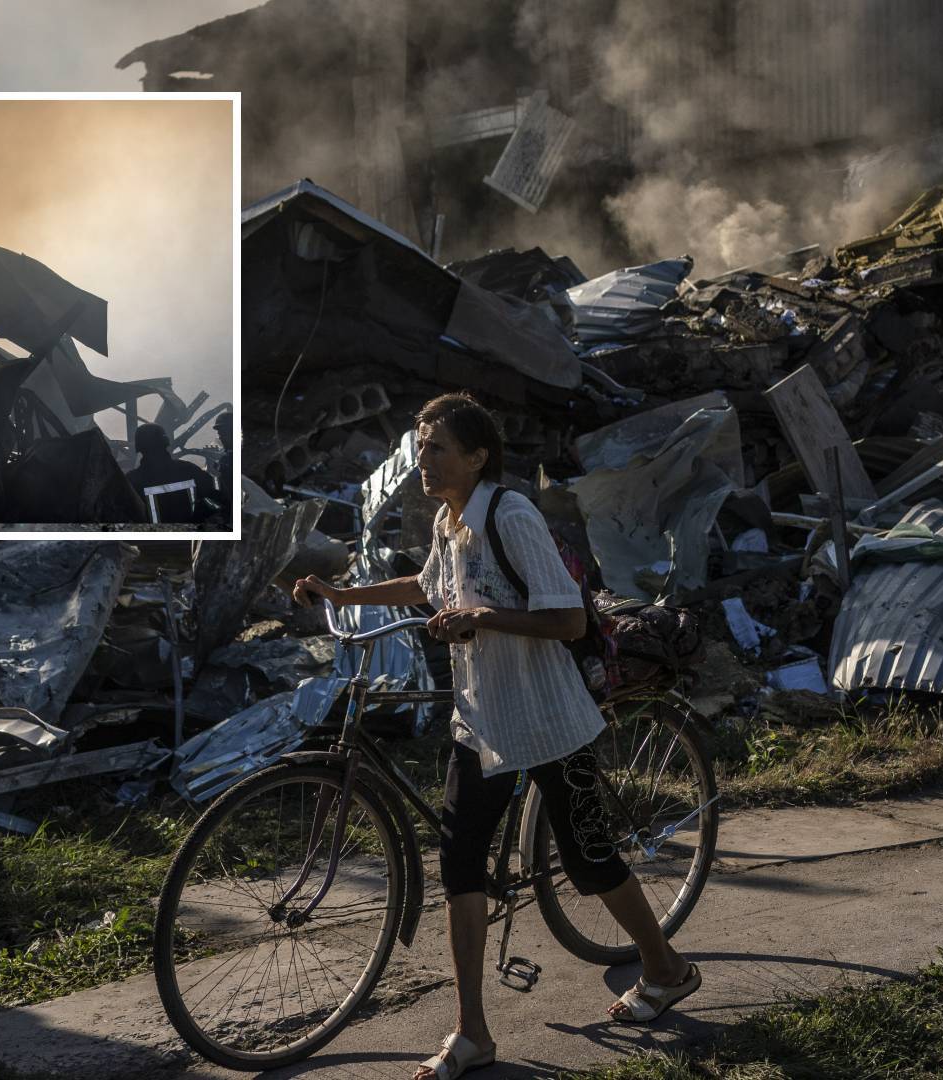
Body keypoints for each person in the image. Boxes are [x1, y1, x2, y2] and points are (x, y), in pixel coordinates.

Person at [292, 392, 699, 1080]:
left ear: (478, 456)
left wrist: (483, 617)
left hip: (547, 721)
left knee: (590, 860)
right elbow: (425, 588)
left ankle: (665, 968)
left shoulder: (510, 516)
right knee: (459, 866)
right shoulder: (450, 522)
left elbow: (568, 621)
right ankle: (472, 1032)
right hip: (480, 721)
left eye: (437, 447)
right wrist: (343, 598)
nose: (423, 458)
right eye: (420, 446)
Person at [124, 422, 216, 524]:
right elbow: (217, 496)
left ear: (140, 448)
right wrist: (199, 518)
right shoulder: (189, 469)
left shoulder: (132, 480)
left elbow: (123, 515)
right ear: (165, 443)